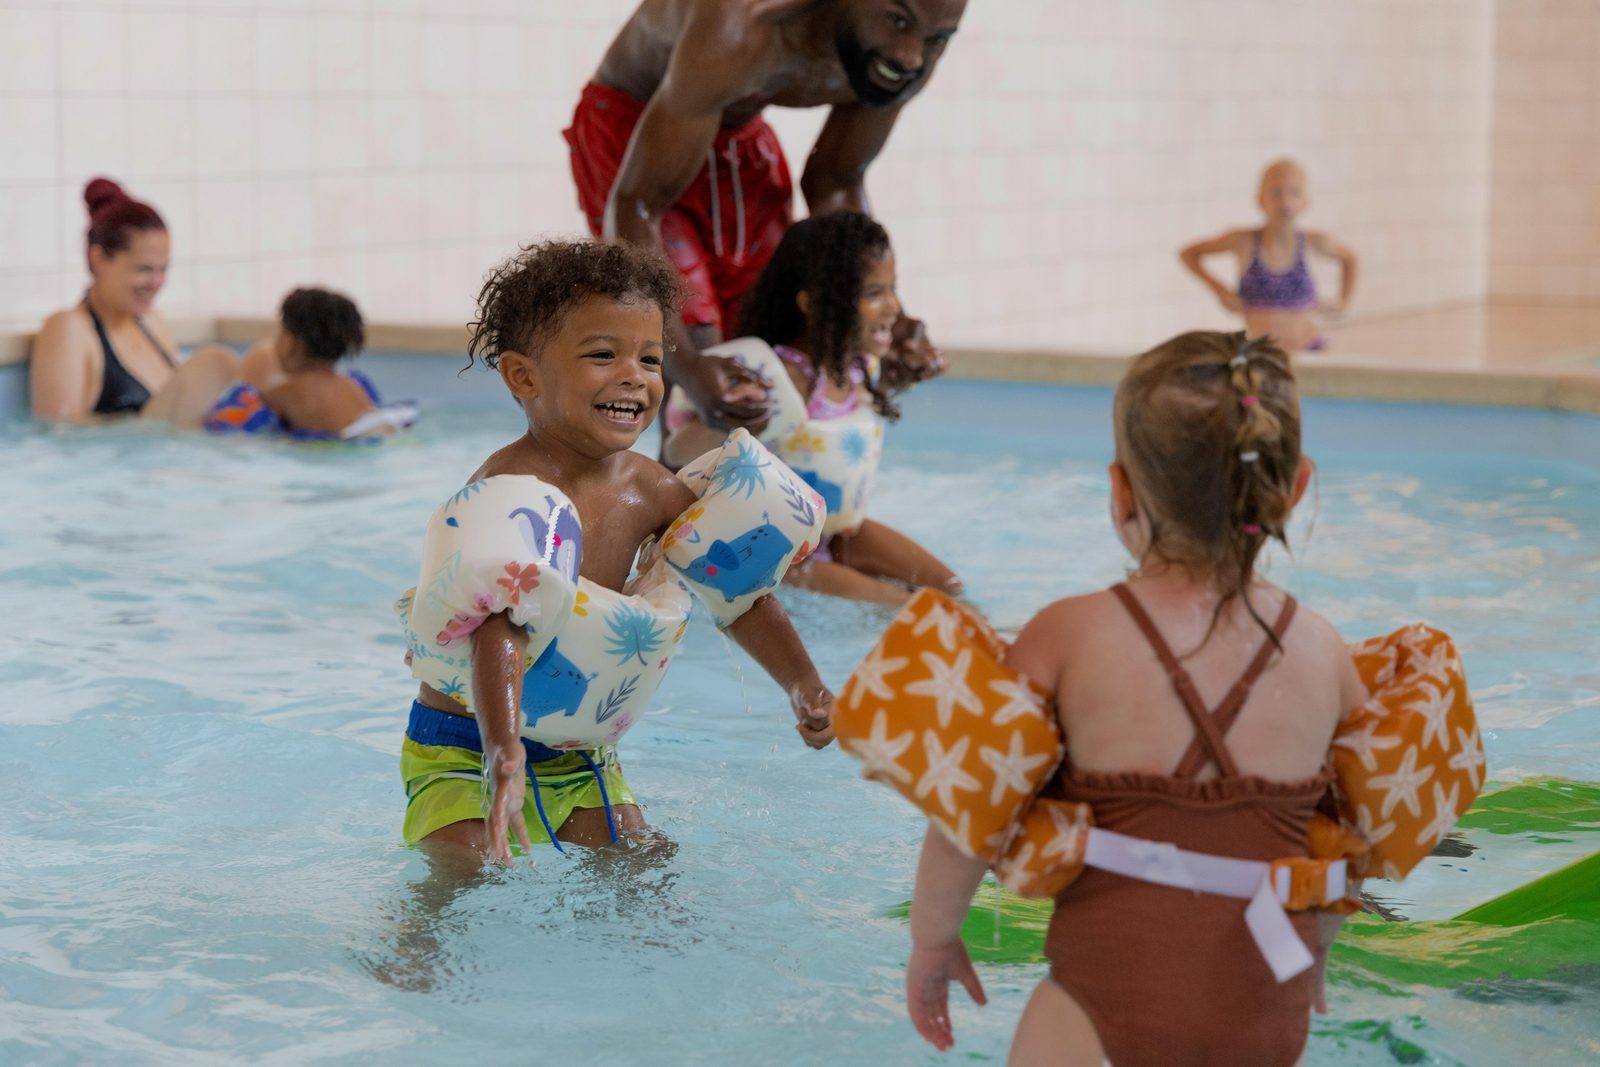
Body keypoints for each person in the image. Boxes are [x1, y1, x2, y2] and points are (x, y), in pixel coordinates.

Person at [396, 239, 837, 866]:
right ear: (524, 375)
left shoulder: (651, 490)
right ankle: (413, 963)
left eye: (651, 358)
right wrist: (503, 752)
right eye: (603, 355)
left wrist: (803, 684)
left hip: (577, 751)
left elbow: (736, 596)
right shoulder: (511, 494)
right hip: (468, 742)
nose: (634, 375)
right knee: (464, 870)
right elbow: (501, 628)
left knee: (640, 863)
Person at [565, 0, 964, 433]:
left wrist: (886, 318)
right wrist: (688, 366)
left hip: (737, 134)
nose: (912, 55)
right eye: (898, 22)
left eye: (937, 39)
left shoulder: (907, 55)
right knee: (701, 356)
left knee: (771, 330)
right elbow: (637, 205)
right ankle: (676, 478)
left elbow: (834, 184)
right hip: (634, 133)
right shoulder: (742, 21)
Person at [665, 212, 960, 605]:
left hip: (839, 535)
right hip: (778, 555)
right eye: (874, 293)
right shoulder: (782, 377)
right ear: (815, 304)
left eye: (893, 288)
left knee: (952, 590)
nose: (894, 307)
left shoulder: (858, 367)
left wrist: (912, 373)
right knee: (902, 604)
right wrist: (732, 417)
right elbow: (677, 452)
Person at [30, 177, 239, 425]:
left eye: (163, 270)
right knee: (212, 363)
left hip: (170, 456)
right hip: (120, 460)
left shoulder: (153, 323)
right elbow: (58, 435)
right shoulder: (70, 329)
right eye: (144, 270)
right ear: (99, 260)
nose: (157, 282)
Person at [1179, 159, 1359, 353]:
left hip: (1310, 350)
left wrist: (1343, 303)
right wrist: (1220, 290)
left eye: (1294, 192)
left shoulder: (1314, 242)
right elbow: (1189, 253)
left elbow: (1350, 259)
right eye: (1276, 193)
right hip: (1262, 355)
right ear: (1260, 200)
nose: (1285, 202)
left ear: (1305, 201)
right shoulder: (1242, 241)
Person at [205, 288, 415, 440]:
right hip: (378, 434)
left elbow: (227, 426)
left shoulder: (284, 394)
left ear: (290, 342)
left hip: (338, 446)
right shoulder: (352, 388)